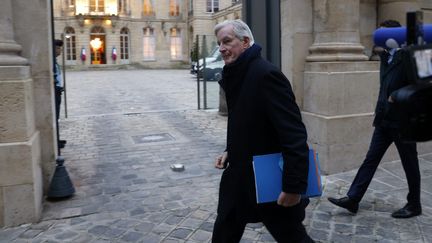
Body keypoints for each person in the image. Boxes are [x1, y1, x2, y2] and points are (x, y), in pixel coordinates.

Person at [212, 19, 314, 243]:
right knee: (224, 230)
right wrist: (231, 149)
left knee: (292, 236)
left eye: (227, 41)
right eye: (219, 43)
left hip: (268, 180)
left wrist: (293, 186)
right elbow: (246, 123)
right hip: (238, 176)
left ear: (246, 41)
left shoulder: (266, 75)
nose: (221, 48)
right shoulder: (236, 74)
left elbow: (294, 134)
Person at [328, 20, 422, 219]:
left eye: (383, 34)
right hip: (384, 119)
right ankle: (353, 199)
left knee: (410, 163)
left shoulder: (408, 55)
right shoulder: (385, 55)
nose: (379, 37)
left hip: (403, 121)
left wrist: (397, 95)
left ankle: (414, 205)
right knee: (370, 159)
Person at [54, 39, 66, 149]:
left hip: (58, 90)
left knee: (57, 116)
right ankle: (54, 140)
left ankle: (56, 139)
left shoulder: (55, 61)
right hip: (55, 91)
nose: (60, 50)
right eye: (58, 48)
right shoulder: (52, 62)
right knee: (55, 116)